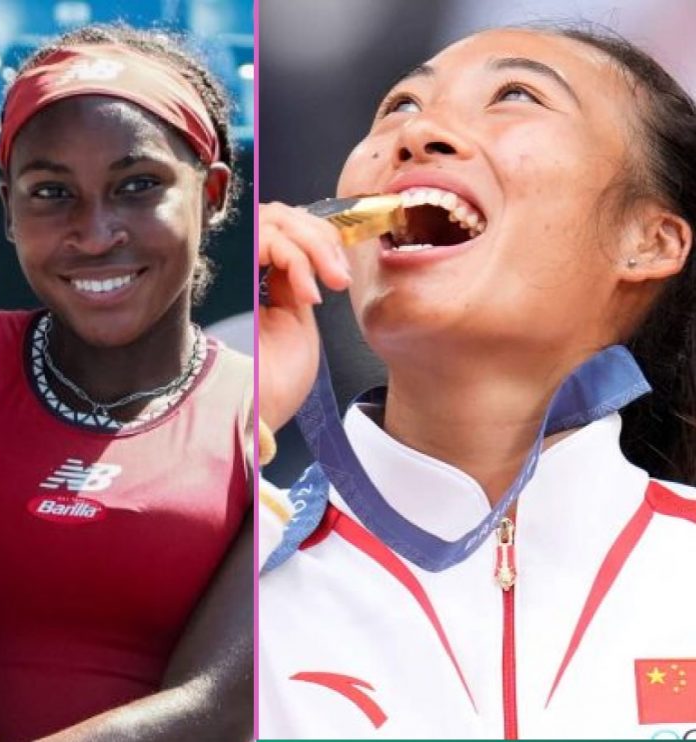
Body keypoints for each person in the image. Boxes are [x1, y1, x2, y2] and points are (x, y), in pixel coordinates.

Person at [257, 25, 696, 739]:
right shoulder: (232, 563)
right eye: (398, 107)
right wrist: (222, 427)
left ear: (649, 241)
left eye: (515, 95)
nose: (418, 132)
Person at [0, 23, 254, 742]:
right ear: (8, 209)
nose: (95, 233)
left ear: (214, 193)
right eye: (52, 192)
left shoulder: (261, 415)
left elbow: (218, 705)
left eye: (138, 185)